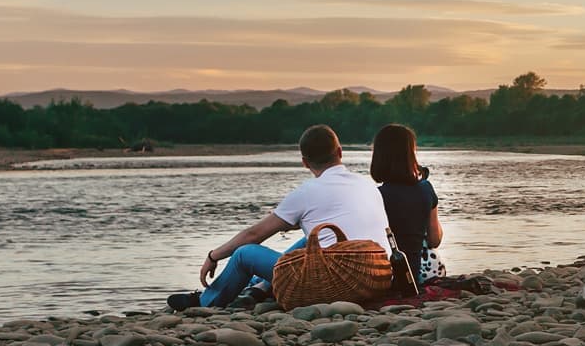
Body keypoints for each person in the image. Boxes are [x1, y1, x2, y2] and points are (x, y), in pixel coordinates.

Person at [168, 124, 391, 310]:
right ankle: (260, 287)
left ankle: (206, 301)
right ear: (340, 152)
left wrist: (213, 256)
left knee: (245, 254)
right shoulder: (367, 184)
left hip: (339, 282)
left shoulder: (306, 192)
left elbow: (253, 234)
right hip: (377, 276)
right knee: (310, 240)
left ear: (304, 162)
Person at [370, 123, 445, 285]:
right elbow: (434, 240)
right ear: (411, 155)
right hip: (418, 274)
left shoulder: (376, 195)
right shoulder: (426, 188)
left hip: (384, 276)